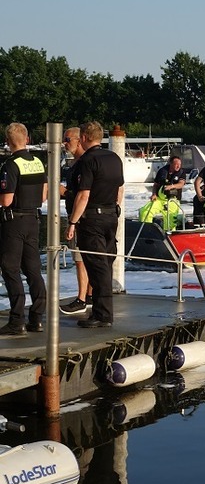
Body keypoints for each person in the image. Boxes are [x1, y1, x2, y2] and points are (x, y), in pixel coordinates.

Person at [65, 121, 124, 329]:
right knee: (105, 263)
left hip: (92, 218)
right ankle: (102, 311)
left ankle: (102, 314)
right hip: (111, 216)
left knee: (96, 266)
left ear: (83, 138)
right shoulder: (114, 158)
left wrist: (72, 222)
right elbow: (120, 189)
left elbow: (83, 194)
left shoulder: (87, 161)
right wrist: (114, 208)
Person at [0, 122, 47, 336]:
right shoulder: (38, 161)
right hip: (33, 219)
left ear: (9, 142)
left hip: (14, 220)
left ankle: (16, 319)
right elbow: (44, 194)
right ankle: (37, 318)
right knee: (33, 270)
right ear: (27, 139)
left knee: (10, 268)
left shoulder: (10, 165)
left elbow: (7, 200)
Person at [59, 126, 93, 315]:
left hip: (80, 217)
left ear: (79, 140)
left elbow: (82, 193)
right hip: (84, 215)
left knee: (81, 259)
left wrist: (62, 192)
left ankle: (82, 298)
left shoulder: (83, 164)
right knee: (86, 258)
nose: (65, 143)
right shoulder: (78, 163)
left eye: (68, 140)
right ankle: (88, 295)